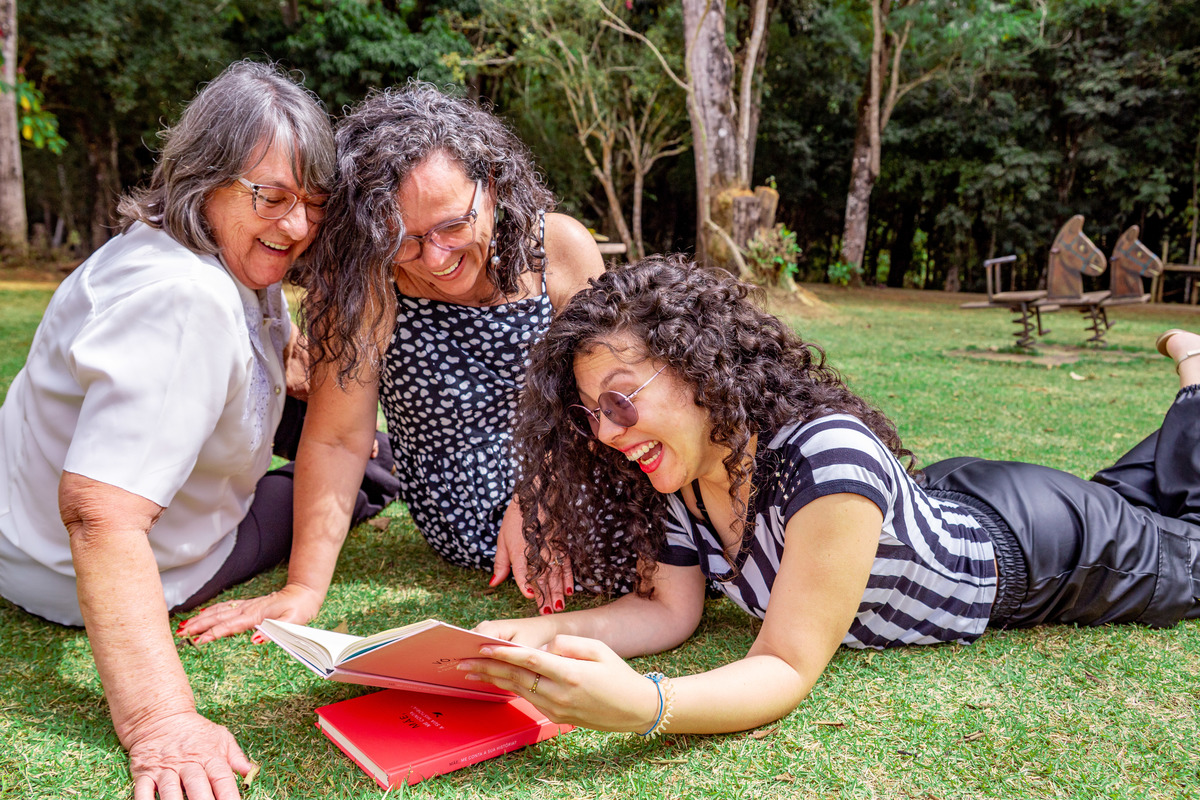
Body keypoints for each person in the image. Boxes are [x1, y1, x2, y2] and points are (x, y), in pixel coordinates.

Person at [457, 254, 1200, 738]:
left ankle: (1195, 387)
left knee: (1188, 547)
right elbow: (667, 612)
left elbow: (784, 665)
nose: (606, 433)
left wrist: (646, 704)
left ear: (698, 364)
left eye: (620, 401)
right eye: (590, 415)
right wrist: (533, 639)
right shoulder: (677, 474)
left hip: (1042, 553)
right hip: (954, 498)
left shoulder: (825, 455)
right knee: (1135, 501)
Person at [0, 61, 393, 800]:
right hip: (77, 573)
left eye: (313, 203)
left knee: (335, 434)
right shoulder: (185, 299)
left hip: (18, 538)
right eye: (270, 197)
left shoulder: (184, 247)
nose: (297, 226)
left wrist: (288, 364)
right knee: (368, 464)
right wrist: (164, 723)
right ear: (203, 177)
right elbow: (100, 514)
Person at [181, 83, 628, 645]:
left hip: (577, 478)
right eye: (405, 240)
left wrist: (542, 492)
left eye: (452, 226)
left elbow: (608, 400)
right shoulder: (367, 279)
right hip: (464, 529)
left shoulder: (558, 247)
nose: (436, 258)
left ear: (491, 185)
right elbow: (338, 439)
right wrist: (303, 589)